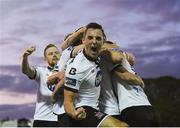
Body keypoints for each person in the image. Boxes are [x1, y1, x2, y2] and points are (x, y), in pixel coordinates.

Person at [63, 22, 128, 127]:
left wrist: (126, 56)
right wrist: (74, 114)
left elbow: (117, 56)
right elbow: (68, 101)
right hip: (83, 111)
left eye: (98, 38)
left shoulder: (99, 54)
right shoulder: (77, 68)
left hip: (95, 109)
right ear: (83, 40)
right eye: (90, 38)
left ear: (103, 42)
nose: (94, 41)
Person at [99, 47, 159, 126]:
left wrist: (138, 80)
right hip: (147, 106)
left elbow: (127, 77)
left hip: (132, 107)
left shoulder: (110, 57)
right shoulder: (121, 58)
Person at [21, 44, 61, 127]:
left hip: (62, 119)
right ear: (45, 59)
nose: (54, 55)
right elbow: (26, 70)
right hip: (43, 119)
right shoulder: (41, 72)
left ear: (61, 55)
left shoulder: (69, 72)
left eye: (56, 52)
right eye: (50, 54)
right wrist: (25, 57)